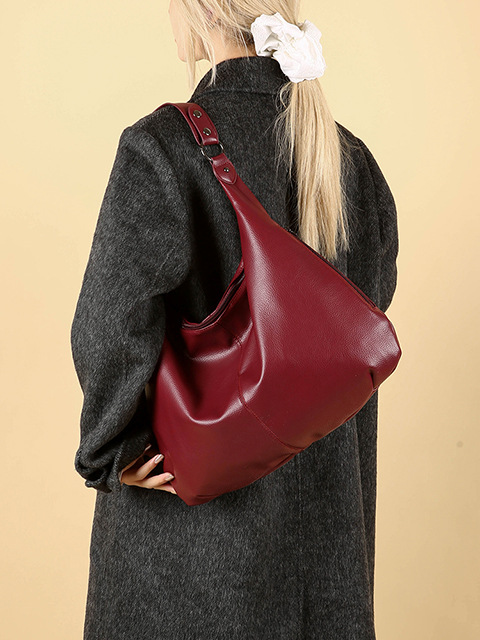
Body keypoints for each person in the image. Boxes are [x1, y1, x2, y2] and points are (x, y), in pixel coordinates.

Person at [70, 1, 399, 638]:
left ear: (197, 10)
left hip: (191, 559)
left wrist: (112, 449)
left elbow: (109, 326)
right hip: (327, 553)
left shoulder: (162, 148)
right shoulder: (350, 160)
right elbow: (365, 320)